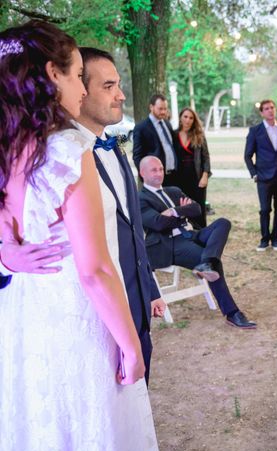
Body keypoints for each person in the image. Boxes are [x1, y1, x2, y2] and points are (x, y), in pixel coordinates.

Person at [0, 21, 163, 451]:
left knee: (41, 432)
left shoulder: (8, 147)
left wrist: (6, 253)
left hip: (23, 320)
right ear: (53, 75)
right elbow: (93, 269)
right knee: (93, 433)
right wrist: (131, 346)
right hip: (77, 316)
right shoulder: (69, 148)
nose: (78, 86)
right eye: (75, 75)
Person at [74, 46, 165, 385]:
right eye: (109, 86)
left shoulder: (117, 151)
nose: (121, 94)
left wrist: (150, 287)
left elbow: (133, 228)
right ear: (79, 91)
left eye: (119, 85)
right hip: (96, 320)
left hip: (137, 304)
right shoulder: (62, 156)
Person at [138, 156, 256, 329]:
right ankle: (232, 313)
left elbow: (197, 209)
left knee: (223, 223)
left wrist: (172, 211)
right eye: (154, 170)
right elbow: (158, 223)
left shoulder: (173, 190)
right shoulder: (140, 198)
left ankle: (207, 263)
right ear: (142, 173)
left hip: (191, 235)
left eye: (161, 169)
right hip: (170, 244)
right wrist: (182, 213)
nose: (159, 173)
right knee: (211, 263)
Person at [244, 99, 277, 252]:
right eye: (266, 109)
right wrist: (254, 174)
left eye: (272, 108)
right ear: (262, 113)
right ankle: (264, 239)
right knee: (265, 209)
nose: (270, 110)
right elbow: (247, 155)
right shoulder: (255, 131)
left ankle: (275, 238)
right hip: (263, 177)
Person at [174, 107, 211, 228]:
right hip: (179, 179)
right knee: (182, 208)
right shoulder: (173, 135)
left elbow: (206, 157)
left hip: (197, 178)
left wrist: (205, 176)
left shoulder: (199, 135)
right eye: (185, 117)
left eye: (191, 118)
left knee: (198, 208)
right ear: (180, 117)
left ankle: (202, 235)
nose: (188, 120)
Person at [133, 93, 178, 186]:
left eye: (165, 109)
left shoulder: (167, 124)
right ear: (151, 107)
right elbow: (137, 156)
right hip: (155, 178)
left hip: (173, 176)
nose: (163, 112)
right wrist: (145, 176)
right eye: (160, 109)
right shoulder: (141, 128)